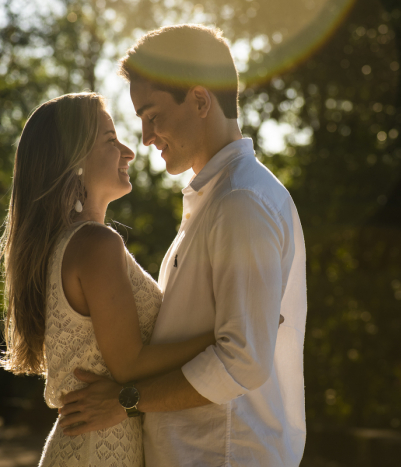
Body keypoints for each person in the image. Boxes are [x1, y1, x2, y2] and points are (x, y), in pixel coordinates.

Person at [58, 25, 308, 466]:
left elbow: (242, 360)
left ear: (198, 100)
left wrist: (126, 400)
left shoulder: (240, 203)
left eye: (151, 115)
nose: (146, 136)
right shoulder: (219, 199)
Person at [0, 92, 227, 466]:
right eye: (110, 140)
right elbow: (130, 365)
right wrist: (226, 331)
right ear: (74, 162)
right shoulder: (95, 244)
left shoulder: (76, 242)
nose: (128, 151)